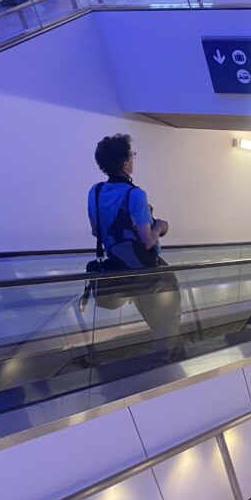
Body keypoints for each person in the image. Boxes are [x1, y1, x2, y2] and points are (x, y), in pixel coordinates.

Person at [88, 134, 182, 357]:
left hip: (118, 267)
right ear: (124, 162)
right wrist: (160, 227)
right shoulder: (135, 194)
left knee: (155, 318)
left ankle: (165, 361)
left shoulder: (95, 192)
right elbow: (148, 240)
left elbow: (96, 231)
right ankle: (165, 366)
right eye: (131, 155)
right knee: (168, 320)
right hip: (148, 272)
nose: (133, 159)